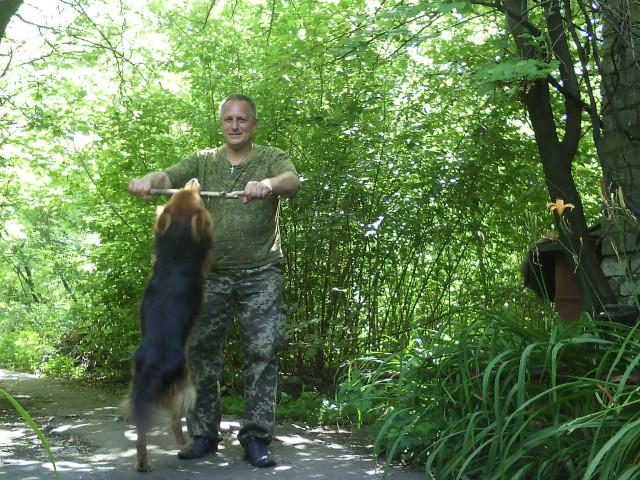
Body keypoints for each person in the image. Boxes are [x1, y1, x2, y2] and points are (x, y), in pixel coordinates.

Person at [128, 94, 301, 468]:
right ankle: (204, 434)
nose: (235, 125)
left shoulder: (271, 158)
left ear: (254, 124)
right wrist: (148, 181)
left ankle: (256, 438)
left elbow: (292, 181)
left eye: (242, 120)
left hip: (261, 272)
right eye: (228, 119)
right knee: (202, 355)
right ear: (221, 124)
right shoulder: (203, 161)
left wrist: (268, 184)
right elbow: (167, 177)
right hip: (210, 275)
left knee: (261, 353)